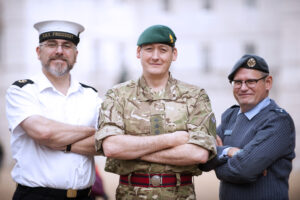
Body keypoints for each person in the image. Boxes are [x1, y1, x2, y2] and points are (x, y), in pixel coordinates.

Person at [95, 24, 217, 199]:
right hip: (131, 194)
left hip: (179, 195)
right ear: (139, 52)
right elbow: (112, 147)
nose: (155, 56)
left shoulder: (195, 96)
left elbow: (198, 153)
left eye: (163, 50)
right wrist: (172, 139)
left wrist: (133, 151)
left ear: (173, 54)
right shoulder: (118, 96)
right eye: (149, 49)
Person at [6, 20, 102, 200]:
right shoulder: (22, 91)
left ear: (76, 54)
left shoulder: (91, 96)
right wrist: (92, 132)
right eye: (51, 44)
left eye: (67, 45)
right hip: (36, 196)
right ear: (38, 52)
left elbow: (107, 143)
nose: (59, 51)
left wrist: (61, 142)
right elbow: (44, 132)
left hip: (85, 196)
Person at [199, 54, 296, 200]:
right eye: (238, 82)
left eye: (251, 81)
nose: (243, 88)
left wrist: (218, 165)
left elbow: (244, 170)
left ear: (268, 82)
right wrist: (228, 151)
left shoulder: (278, 121)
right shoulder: (230, 116)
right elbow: (202, 158)